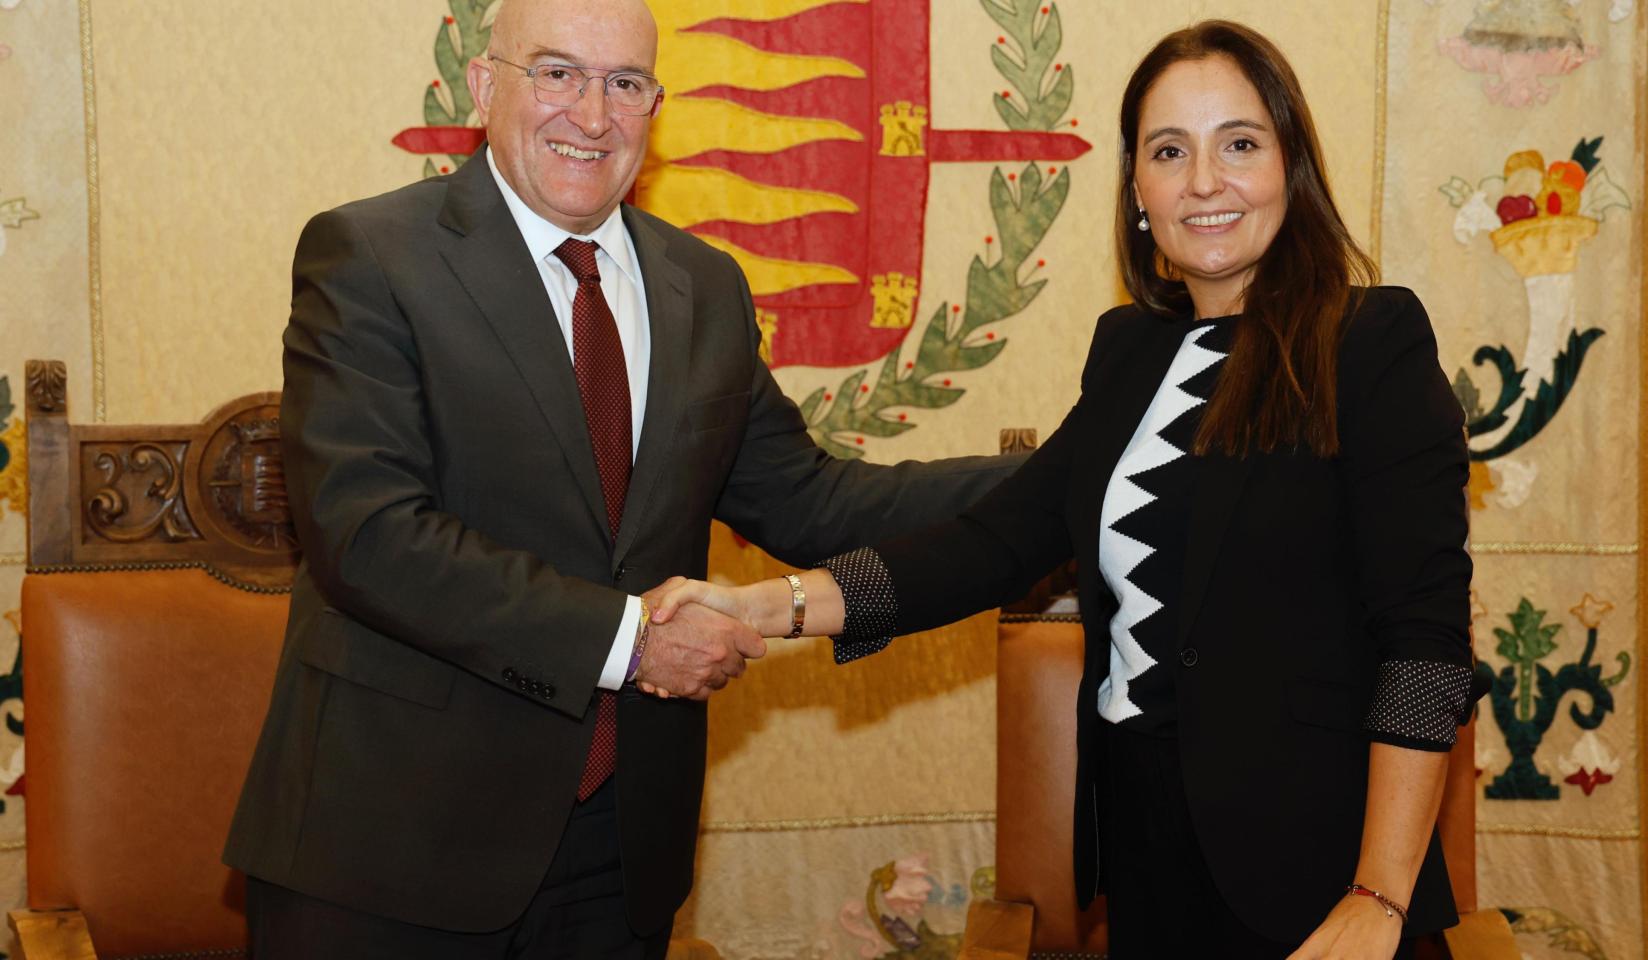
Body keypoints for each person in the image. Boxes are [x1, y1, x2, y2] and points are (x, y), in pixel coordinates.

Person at [651, 20, 1473, 960]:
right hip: (1146, 870)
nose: (1205, 181)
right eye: (1171, 151)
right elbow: (985, 545)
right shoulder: (1128, 356)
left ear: (1293, 165)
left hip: (1323, 882)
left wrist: (1381, 894)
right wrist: (761, 605)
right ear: (1138, 192)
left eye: (1239, 144)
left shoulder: (1370, 341)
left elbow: (1427, 645)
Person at [222, 0, 1014, 955]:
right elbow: (368, 536)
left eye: (625, 84)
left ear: (655, 105)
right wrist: (631, 640)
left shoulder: (703, 285)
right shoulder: (373, 256)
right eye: (556, 73)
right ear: (484, 86)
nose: (592, 115)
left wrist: (1054, 482)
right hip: (390, 844)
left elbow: (812, 503)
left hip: (620, 849)